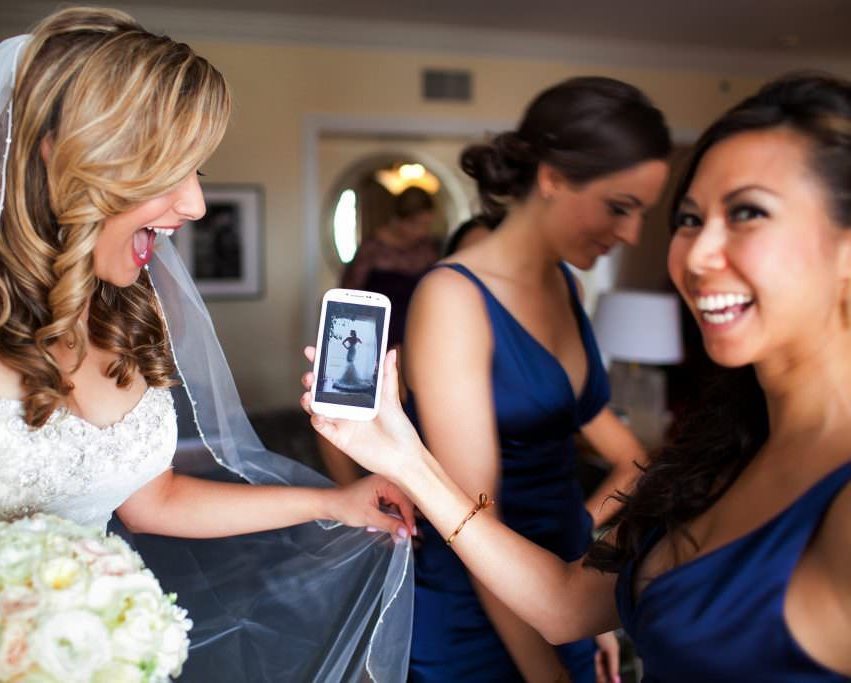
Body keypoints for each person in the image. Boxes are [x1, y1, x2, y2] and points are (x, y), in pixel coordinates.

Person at [0, 9, 415, 681]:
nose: (194, 204)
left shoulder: (129, 314)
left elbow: (151, 499)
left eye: (196, 171)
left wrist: (331, 502)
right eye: (168, 170)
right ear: (66, 153)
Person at [304, 73, 851, 681]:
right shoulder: (728, 456)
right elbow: (565, 605)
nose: (693, 256)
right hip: (492, 604)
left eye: (748, 213)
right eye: (690, 220)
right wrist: (406, 460)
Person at [399, 77, 667, 683]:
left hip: (557, 593)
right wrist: (549, 672)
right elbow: (475, 518)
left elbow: (583, 477)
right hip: (479, 620)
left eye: (642, 214)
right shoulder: (452, 298)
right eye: (620, 207)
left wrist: (586, 610)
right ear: (552, 178)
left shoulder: (565, 284)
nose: (631, 235)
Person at [340, 186, 440, 348]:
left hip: (418, 334)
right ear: (398, 219)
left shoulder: (428, 250)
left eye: (426, 225)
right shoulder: (371, 249)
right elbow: (349, 295)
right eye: (416, 224)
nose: (422, 232)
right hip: (375, 336)